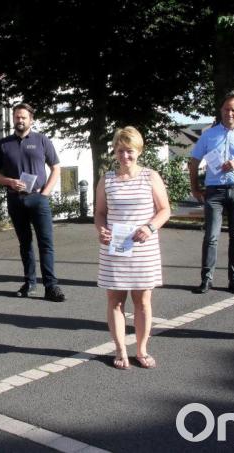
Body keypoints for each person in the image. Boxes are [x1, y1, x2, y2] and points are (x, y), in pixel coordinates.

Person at [94, 127, 171, 369]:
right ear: (115, 151)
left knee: (143, 301)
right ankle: (119, 350)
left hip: (143, 249)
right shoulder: (106, 180)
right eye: (120, 151)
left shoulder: (150, 176)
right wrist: (101, 229)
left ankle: (141, 349)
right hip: (114, 249)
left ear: (138, 151)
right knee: (115, 302)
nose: (125, 156)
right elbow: (100, 212)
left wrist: (150, 227)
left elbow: (164, 210)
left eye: (130, 151)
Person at [0, 103, 66, 302]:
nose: (19, 120)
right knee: (25, 244)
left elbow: (56, 167)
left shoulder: (41, 140)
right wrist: (8, 181)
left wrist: (45, 194)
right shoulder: (3, 144)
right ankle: (30, 282)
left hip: (38, 199)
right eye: (16, 117)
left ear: (31, 120)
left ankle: (51, 286)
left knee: (46, 243)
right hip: (15, 199)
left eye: (23, 117)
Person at [188, 93, 234, 295]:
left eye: (233, 110)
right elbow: (194, 161)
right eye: (226, 109)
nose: (229, 113)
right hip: (215, 190)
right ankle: (206, 279)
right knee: (211, 236)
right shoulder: (209, 135)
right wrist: (195, 188)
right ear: (221, 111)